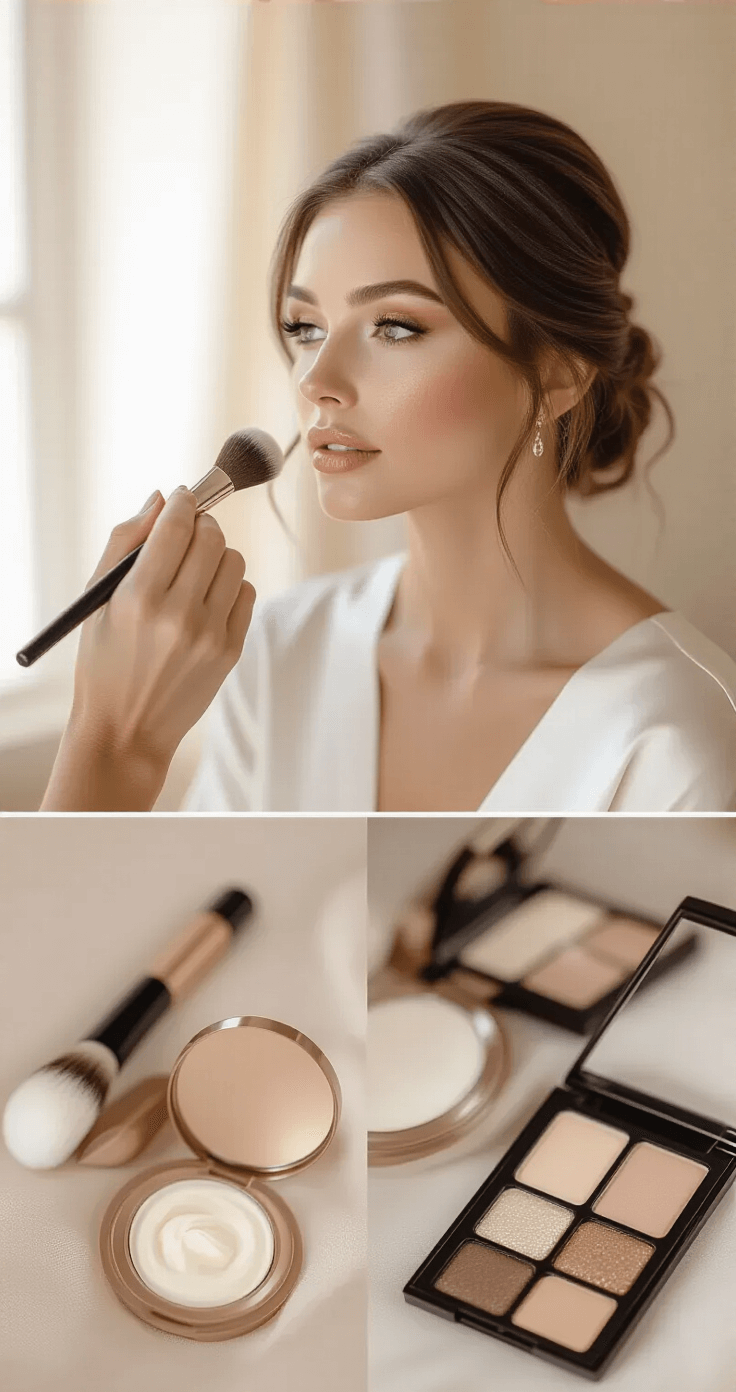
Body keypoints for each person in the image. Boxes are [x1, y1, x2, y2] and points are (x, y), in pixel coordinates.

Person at [42, 101, 736, 813]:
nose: (316, 379)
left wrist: (116, 746)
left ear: (555, 374)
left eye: (396, 327)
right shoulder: (284, 655)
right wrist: (109, 741)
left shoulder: (674, 740)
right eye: (305, 327)